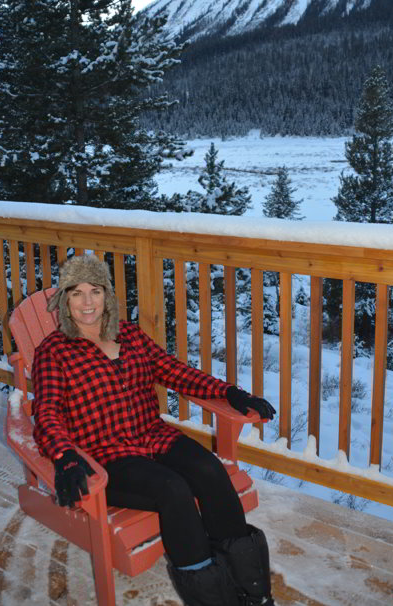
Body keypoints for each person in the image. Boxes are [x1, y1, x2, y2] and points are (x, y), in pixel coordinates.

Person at [32, 254, 276, 606]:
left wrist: (228, 391)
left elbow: (173, 371)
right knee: (173, 489)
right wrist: (64, 456)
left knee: (209, 469)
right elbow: (48, 413)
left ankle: (256, 593)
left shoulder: (128, 335)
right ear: (65, 301)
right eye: (76, 293)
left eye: (95, 291)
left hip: (152, 435)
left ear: (107, 296)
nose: (87, 303)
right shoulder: (53, 352)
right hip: (106, 455)